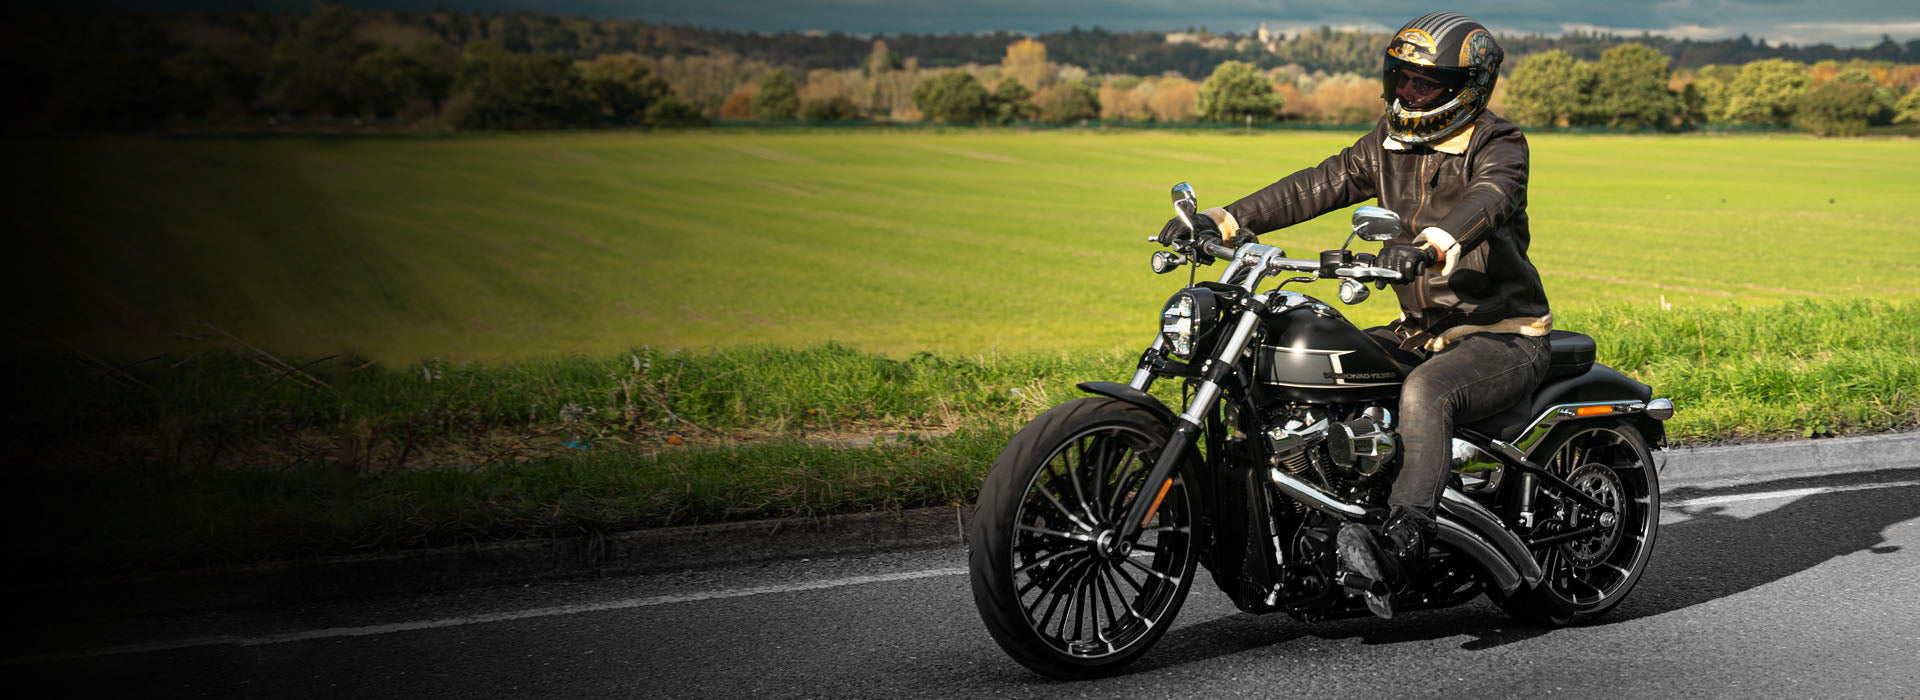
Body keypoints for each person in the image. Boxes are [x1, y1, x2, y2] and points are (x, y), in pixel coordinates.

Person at [1157, 11, 1551, 618]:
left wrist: (1433, 243)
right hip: (1417, 332)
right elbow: (1314, 186)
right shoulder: (1386, 144)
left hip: (1500, 335)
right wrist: (1225, 220)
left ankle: (1406, 540)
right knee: (1308, 370)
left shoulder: (1497, 143)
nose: (1407, 93)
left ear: (1469, 88)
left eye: (1426, 83)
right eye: (1400, 78)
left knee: (1424, 395)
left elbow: (1492, 196)